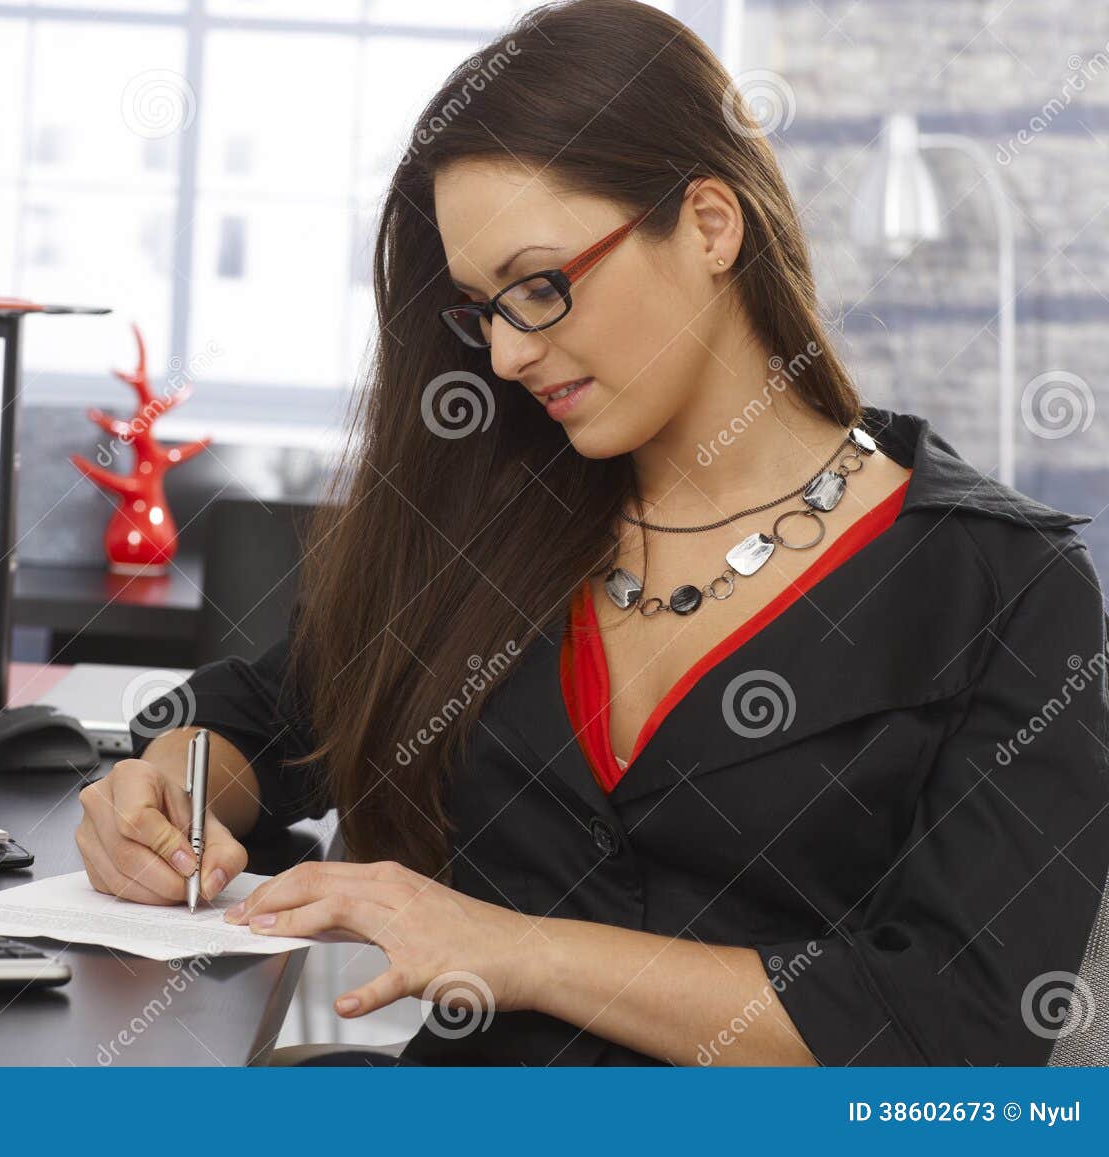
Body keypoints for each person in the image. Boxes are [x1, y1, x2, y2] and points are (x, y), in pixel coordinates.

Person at [73, 0, 1109, 1065]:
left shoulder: (1000, 587)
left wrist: (516, 949)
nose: (507, 358)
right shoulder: (504, 515)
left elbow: (961, 1024)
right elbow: (274, 714)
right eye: (483, 309)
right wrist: (171, 785)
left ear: (709, 224)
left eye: (540, 287)